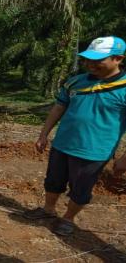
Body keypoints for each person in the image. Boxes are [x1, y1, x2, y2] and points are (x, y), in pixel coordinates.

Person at [24, 36, 126, 235]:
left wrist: (125, 159)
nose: (90, 64)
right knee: (53, 180)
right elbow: (58, 108)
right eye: (88, 59)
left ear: (118, 58)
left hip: (94, 152)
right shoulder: (76, 82)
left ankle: (68, 218)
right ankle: (48, 209)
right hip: (62, 144)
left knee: (80, 189)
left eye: (98, 60)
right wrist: (43, 134)